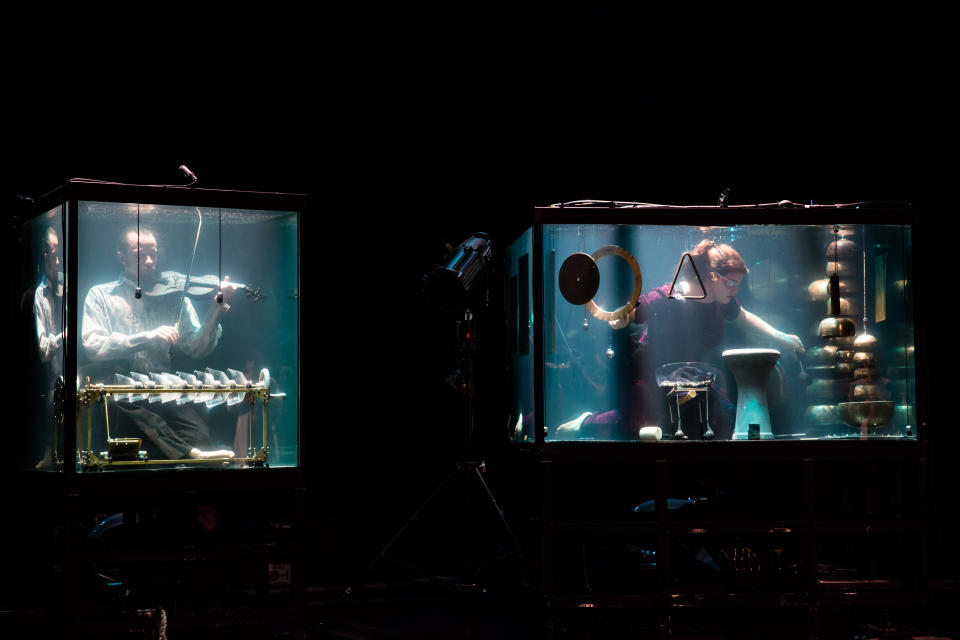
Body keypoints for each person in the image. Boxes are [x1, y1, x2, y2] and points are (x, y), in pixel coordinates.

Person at [558, 240, 804, 440]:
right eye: (731, 283)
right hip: (654, 377)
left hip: (691, 377)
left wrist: (781, 337)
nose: (735, 290)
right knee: (640, 426)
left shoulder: (721, 302)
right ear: (711, 276)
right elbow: (630, 313)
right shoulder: (668, 297)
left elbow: (743, 317)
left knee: (723, 417)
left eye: (738, 284)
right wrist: (618, 319)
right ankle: (586, 422)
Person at [81, 225, 236, 459]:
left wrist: (215, 310)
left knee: (201, 436)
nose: (150, 261)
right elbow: (93, 345)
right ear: (120, 255)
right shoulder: (100, 295)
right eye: (140, 254)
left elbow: (196, 348)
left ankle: (194, 458)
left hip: (159, 385)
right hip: (120, 385)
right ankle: (189, 454)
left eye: (153, 253)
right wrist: (148, 337)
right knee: (126, 402)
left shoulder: (173, 296)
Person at [32, 226, 65, 469]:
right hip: (52, 375)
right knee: (52, 402)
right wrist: (63, 336)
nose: (58, 259)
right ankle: (50, 453)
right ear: (44, 256)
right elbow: (43, 350)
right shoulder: (38, 295)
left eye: (59, 251)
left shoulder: (66, 284)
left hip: (76, 367)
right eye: (54, 253)